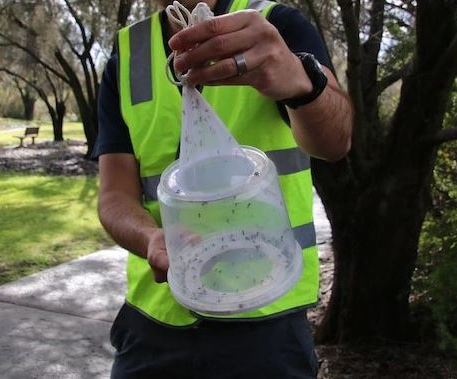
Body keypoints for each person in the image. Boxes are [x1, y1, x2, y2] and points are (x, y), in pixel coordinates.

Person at [94, 0, 353, 377]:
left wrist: (300, 80)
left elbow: (337, 141)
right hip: (153, 325)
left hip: (267, 319)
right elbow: (114, 195)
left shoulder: (274, 22)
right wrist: (149, 237)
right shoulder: (127, 51)